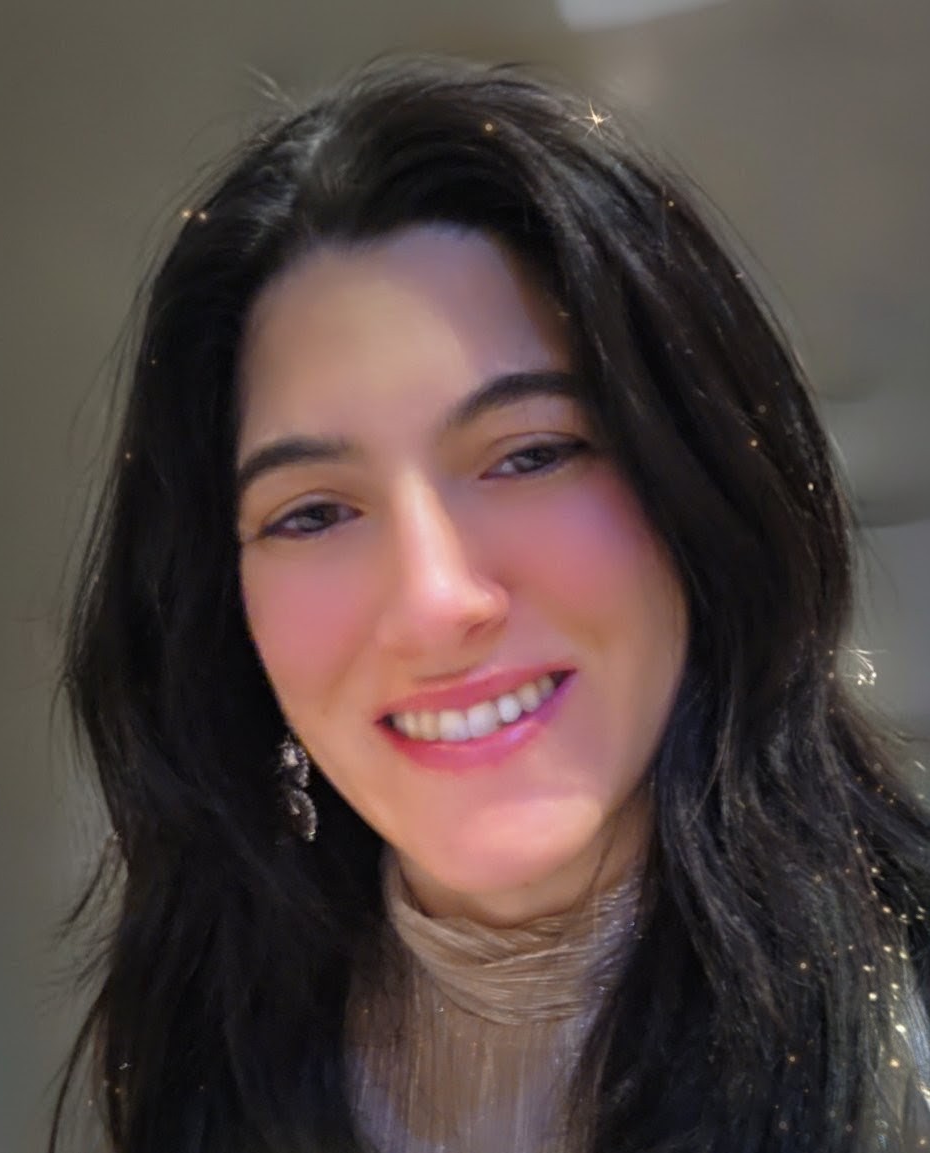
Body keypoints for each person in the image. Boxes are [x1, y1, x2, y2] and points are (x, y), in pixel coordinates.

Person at [50, 55, 930, 1153]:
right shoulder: (198, 1059)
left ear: (700, 485)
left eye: (529, 454)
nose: (433, 600)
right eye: (313, 513)